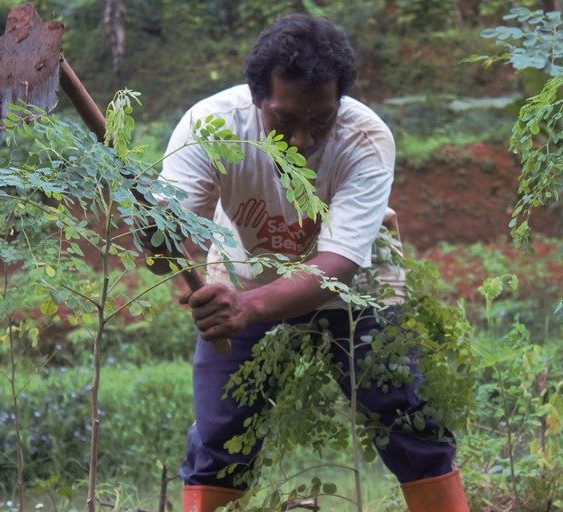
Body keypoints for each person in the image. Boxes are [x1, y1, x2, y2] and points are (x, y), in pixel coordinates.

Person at [149, 13, 469, 512]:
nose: (302, 139)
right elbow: (161, 240)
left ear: (338, 100)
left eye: (319, 119)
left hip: (360, 285)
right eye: (285, 120)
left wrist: (248, 308)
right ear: (258, 100)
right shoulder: (209, 128)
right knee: (221, 430)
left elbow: (337, 265)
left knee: (407, 415)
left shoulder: (363, 140)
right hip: (243, 273)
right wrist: (154, 239)